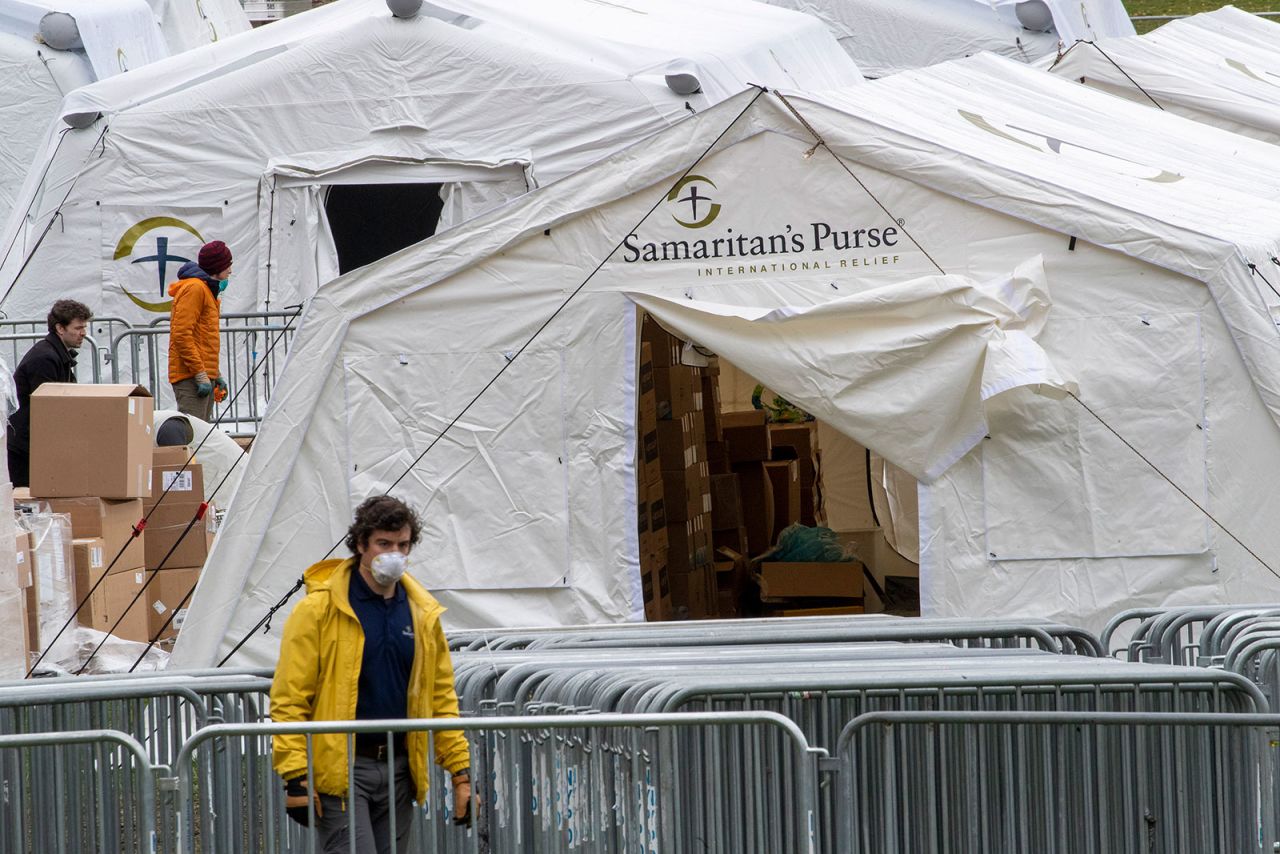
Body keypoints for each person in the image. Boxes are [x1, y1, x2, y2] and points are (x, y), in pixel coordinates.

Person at [270, 495, 472, 853]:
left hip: (400, 769)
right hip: (343, 769)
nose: (394, 553)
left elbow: (440, 694)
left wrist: (460, 772)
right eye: (383, 543)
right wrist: (296, 775)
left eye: (402, 545)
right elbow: (290, 697)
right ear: (361, 544)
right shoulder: (318, 610)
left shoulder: (421, 613)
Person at [7, 299, 92, 487]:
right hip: (25, 446)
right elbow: (49, 408)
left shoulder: (56, 354)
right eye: (78, 328)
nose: (83, 333)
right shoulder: (45, 358)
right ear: (60, 328)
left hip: (32, 442)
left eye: (84, 327)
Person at [168, 240, 231, 421]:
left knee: (202, 435)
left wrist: (215, 373)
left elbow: (203, 338)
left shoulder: (207, 291)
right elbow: (181, 334)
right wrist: (200, 373)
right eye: (228, 265)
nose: (230, 271)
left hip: (200, 374)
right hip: (190, 376)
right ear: (217, 266)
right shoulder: (195, 288)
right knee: (193, 435)